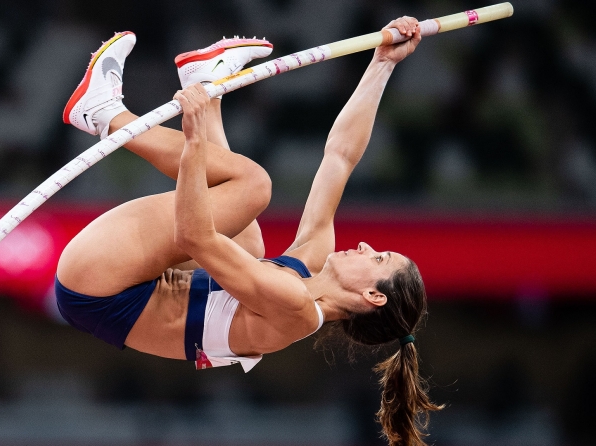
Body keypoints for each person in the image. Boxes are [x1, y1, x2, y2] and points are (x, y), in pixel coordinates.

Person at [58, 17, 442, 446]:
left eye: (378, 259)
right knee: (249, 239)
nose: (368, 247)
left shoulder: (295, 307)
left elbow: (194, 238)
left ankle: (105, 114)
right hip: (126, 283)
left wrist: (195, 140)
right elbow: (340, 157)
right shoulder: (306, 268)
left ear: (373, 296)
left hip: (99, 287)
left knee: (253, 185)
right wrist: (382, 64)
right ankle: (209, 83)